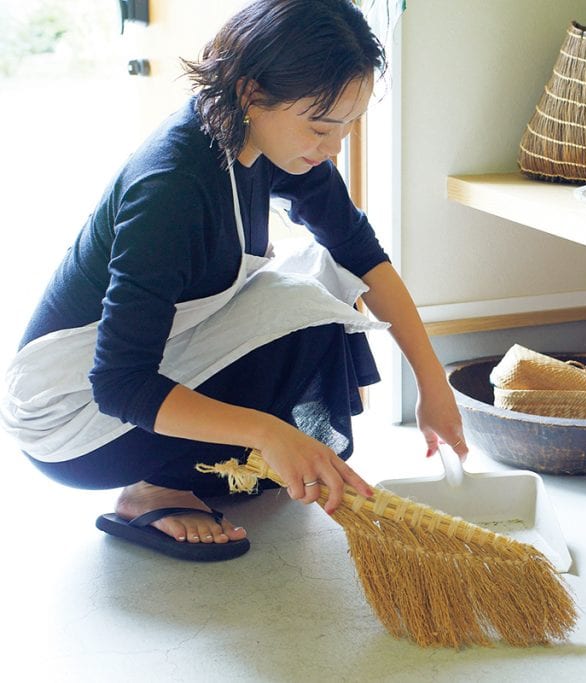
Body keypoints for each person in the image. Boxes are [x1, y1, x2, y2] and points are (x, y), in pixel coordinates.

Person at [0, 0, 467, 561]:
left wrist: (432, 384)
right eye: (321, 127)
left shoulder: (272, 144)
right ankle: (153, 486)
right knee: (297, 308)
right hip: (71, 421)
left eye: (346, 128)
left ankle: (206, 465)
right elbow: (120, 383)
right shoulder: (171, 188)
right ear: (250, 93)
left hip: (152, 365)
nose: (333, 148)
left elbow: (361, 254)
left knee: (316, 299)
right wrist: (269, 432)